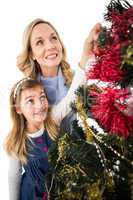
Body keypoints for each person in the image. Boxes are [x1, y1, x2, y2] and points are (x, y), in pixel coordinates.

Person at [5, 61, 86, 200]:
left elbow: (71, 97)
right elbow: (14, 176)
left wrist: (83, 64)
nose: (40, 105)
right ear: (18, 108)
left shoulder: (52, 119)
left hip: (61, 191)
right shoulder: (16, 140)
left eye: (42, 97)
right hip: (32, 194)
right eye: (30, 101)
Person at [16, 18, 102, 134]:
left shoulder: (76, 77)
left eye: (53, 38)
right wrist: (85, 57)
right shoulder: (28, 94)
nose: (50, 46)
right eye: (40, 42)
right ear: (32, 54)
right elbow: (54, 120)